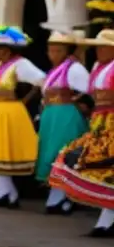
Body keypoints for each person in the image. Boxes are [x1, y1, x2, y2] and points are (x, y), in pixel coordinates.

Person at [50, 29, 114, 236]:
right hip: (99, 122)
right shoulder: (97, 67)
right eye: (97, 47)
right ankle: (105, 220)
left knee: (106, 167)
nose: (99, 51)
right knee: (94, 165)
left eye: (104, 47)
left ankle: (106, 221)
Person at [0, 26, 46, 209]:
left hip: (11, 111)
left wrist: (39, 99)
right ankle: (6, 191)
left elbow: (41, 79)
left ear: (9, 50)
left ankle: (7, 192)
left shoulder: (21, 64)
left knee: (8, 148)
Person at [35, 31, 90, 215]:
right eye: (51, 50)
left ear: (67, 51)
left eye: (58, 50)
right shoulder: (53, 71)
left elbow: (87, 92)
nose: (53, 55)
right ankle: (57, 193)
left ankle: (64, 196)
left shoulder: (75, 69)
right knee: (50, 153)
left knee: (62, 152)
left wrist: (78, 104)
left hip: (66, 115)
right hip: (51, 116)